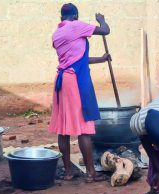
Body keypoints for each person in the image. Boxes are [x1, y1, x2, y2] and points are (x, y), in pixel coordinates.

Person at [49, 3, 110, 182]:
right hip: (75, 81)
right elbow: (105, 31)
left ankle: (68, 172)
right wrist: (102, 20)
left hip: (62, 80)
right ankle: (91, 173)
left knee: (63, 128)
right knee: (83, 127)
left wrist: (102, 59)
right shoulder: (76, 26)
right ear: (75, 16)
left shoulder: (57, 33)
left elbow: (77, 58)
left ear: (62, 17)